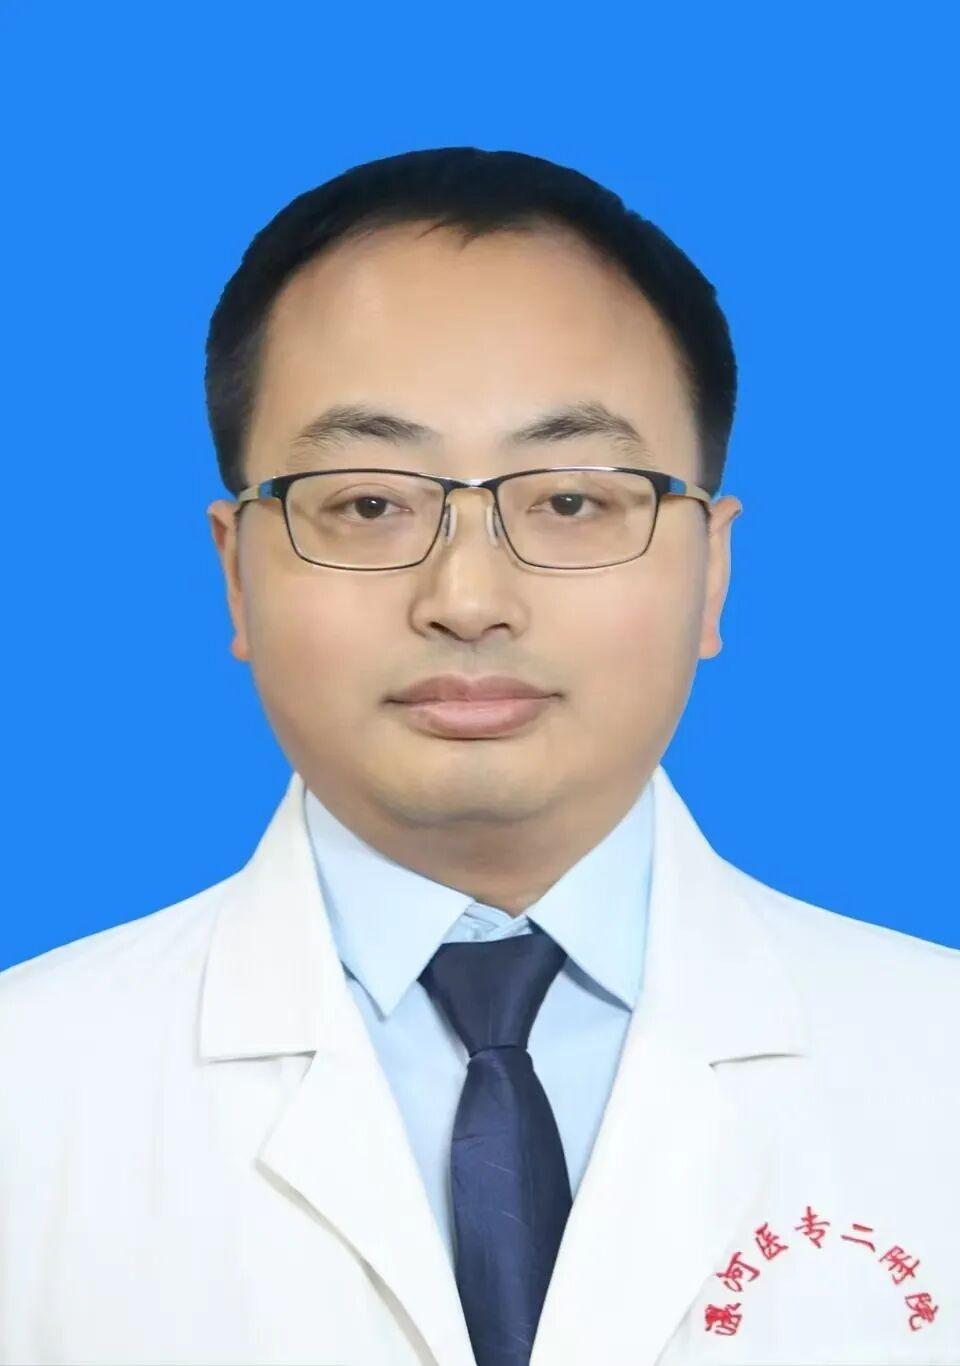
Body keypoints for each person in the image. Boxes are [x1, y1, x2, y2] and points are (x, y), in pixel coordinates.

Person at [1, 147, 957, 1366]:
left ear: (712, 569)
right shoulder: (25, 1093)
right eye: (367, 503)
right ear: (235, 571)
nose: (467, 599)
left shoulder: (937, 1060)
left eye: (570, 500)